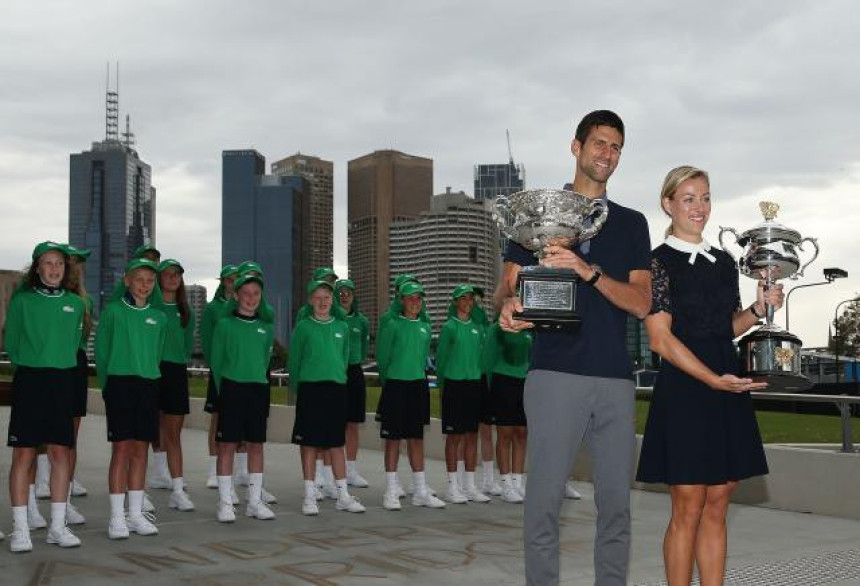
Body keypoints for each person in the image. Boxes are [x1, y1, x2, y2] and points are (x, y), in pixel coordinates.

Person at [496, 110, 652, 585]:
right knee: (542, 507)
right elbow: (505, 292)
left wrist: (590, 273)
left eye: (616, 147)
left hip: (613, 379)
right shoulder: (536, 215)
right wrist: (506, 311)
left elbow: (642, 303)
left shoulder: (630, 224)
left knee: (616, 511)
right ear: (576, 147)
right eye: (600, 143)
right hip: (554, 374)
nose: (608, 154)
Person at [636, 166, 778, 586]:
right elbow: (660, 341)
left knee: (719, 503)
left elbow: (725, 328)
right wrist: (712, 379)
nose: (700, 208)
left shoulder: (724, 262)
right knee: (688, 506)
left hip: (727, 386)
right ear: (668, 203)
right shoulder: (655, 264)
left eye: (705, 198)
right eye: (689, 198)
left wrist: (756, 310)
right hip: (686, 390)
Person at [5, 242, 86, 552]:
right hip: (30, 380)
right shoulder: (23, 301)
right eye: (47, 263)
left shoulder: (76, 304)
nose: (54, 269)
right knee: (24, 455)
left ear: (66, 270)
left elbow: (74, 342)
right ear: (37, 268)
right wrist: (35, 362)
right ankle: (21, 529)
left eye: (59, 264)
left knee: (60, 454)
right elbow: (12, 343)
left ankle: (57, 526)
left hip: (63, 382)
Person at [96, 258, 166, 539]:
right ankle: (117, 518)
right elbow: (101, 353)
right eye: (139, 279)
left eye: (150, 281)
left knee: (141, 451)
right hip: (120, 384)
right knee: (122, 450)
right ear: (127, 280)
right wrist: (109, 387)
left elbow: (158, 353)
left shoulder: (159, 317)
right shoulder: (113, 311)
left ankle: (136, 514)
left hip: (148, 385)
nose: (145, 285)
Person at [289, 280, 365, 516]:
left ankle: (342, 494)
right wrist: (298, 390)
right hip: (310, 389)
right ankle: (310, 494)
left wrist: (338, 379)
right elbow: (295, 362)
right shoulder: (303, 327)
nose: (323, 302)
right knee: (310, 443)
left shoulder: (342, 327)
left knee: (335, 443)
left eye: (327, 297)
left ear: (332, 300)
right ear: (310, 300)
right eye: (318, 297)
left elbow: (343, 359)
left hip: (336, 389)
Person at [209, 274, 276, 523]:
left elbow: (264, 361)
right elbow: (216, 363)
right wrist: (224, 392)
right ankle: (226, 503)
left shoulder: (266, 328)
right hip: (231, 388)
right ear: (236, 296)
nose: (251, 299)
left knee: (256, 445)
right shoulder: (225, 325)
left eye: (255, 294)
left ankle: (254, 502)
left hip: (257, 389)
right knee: (227, 445)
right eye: (245, 294)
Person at [376, 281, 446, 510]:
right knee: (393, 439)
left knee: (417, 438)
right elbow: (383, 360)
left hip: (418, 385)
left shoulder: (425, 327)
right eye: (411, 298)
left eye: (419, 298)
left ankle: (420, 491)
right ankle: (390, 490)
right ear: (401, 301)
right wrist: (392, 381)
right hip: (396, 385)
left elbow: (423, 358)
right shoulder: (392, 325)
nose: (415, 302)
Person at [148, 259, 195, 512]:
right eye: (167, 274)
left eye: (177, 274)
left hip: (175, 372)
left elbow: (187, 346)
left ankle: (177, 490)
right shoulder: (151, 307)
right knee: (145, 431)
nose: (173, 278)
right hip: (151, 370)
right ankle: (139, 490)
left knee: (174, 435)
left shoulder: (186, 311)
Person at [437, 284, 490, 504]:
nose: (468, 302)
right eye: (463, 298)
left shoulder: (478, 328)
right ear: (455, 302)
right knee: (454, 436)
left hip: (473, 385)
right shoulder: (449, 327)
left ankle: (469, 485)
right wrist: (442, 388)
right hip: (454, 385)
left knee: (471, 435)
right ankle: (452, 486)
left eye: (470, 298)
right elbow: (441, 361)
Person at [485, 317, 532, 503]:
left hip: (524, 382)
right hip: (503, 381)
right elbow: (488, 359)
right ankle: (506, 485)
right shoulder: (498, 328)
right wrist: (488, 391)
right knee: (505, 433)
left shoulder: (529, 328)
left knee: (522, 433)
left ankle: (517, 482)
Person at [201, 264, 239, 499]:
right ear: (222, 282)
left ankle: (242, 471)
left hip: (239, 373)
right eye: (228, 279)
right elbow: (207, 340)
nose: (232, 283)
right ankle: (213, 469)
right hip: (219, 372)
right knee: (217, 418)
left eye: (236, 279)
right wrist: (215, 367)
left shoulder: (242, 306)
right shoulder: (213, 308)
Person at [334, 279, 371, 488]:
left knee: (353, 424)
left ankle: (351, 470)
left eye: (349, 292)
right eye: (341, 292)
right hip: (336, 372)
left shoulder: (362, 321)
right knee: (334, 422)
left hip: (354, 371)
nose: (345, 295)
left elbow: (365, 347)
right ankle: (329, 471)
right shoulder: (332, 319)